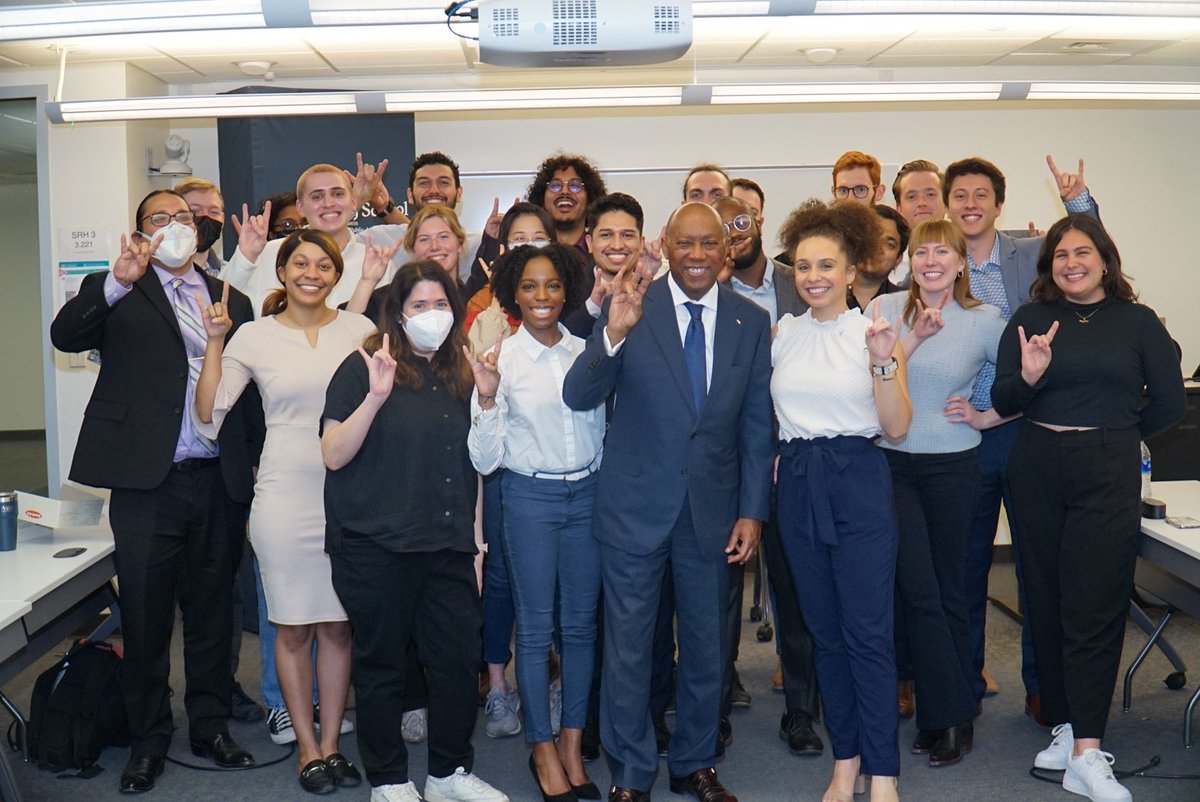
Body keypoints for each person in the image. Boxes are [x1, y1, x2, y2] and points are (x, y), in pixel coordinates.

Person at [563, 202, 773, 802]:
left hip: (713, 513)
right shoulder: (632, 304)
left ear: (725, 251)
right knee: (628, 649)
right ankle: (630, 775)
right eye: (687, 244)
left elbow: (758, 425)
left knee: (708, 647)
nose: (699, 255)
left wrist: (752, 510)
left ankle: (695, 764)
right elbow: (580, 392)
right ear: (667, 244)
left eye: (711, 244)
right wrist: (613, 330)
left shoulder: (749, 321)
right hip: (634, 509)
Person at [50, 189, 258, 793]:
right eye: (160, 218)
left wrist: (251, 464)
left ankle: (210, 726)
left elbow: (248, 394)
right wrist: (115, 282)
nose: (175, 227)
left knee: (214, 612)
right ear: (141, 231)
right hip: (147, 482)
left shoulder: (231, 298)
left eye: (184, 218)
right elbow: (66, 335)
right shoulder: (121, 288)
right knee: (143, 616)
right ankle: (149, 738)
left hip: (217, 479)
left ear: (200, 230)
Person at [993, 215, 1185, 802]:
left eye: (1082, 252)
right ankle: (1067, 725)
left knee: (1095, 604)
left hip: (1106, 465)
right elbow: (1003, 398)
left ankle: (1087, 751)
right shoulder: (1028, 320)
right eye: (1059, 254)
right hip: (1037, 462)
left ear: (1105, 258)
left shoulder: (1138, 322)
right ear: (1049, 264)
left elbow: (1171, 401)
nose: (1070, 262)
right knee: (1046, 600)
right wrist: (1027, 379)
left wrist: (1114, 433)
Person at [194, 230, 386, 793]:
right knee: (294, 626)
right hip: (283, 496)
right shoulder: (251, 336)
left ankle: (331, 744)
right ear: (282, 272)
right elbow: (209, 414)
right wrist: (213, 342)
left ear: (336, 273)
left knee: (338, 626)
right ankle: (305, 746)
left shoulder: (361, 329)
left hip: (350, 494)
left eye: (323, 264)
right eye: (300, 262)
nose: (312, 272)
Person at [321, 261, 508, 802]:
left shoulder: (463, 374)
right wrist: (376, 397)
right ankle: (388, 779)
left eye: (442, 304)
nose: (432, 316)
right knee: (383, 665)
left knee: (453, 663)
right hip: (372, 544)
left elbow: (478, 466)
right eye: (419, 306)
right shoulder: (363, 366)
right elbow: (332, 455)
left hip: (446, 542)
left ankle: (449, 773)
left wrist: (475, 543)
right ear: (397, 314)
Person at [944, 154, 1099, 715]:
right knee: (964, 568)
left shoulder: (1029, 251)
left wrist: (1076, 201)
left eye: (981, 194)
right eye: (959, 194)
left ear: (998, 205)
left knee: (1036, 565)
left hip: (1023, 428)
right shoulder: (935, 259)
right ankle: (962, 686)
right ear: (947, 204)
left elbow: (1092, 250)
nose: (969, 204)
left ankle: (1042, 687)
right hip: (961, 430)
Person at [771, 200, 910, 802]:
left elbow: (898, 425)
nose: (814, 277)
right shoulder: (782, 334)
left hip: (857, 479)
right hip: (798, 481)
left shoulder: (875, 332)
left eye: (827, 264)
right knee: (824, 634)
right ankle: (845, 760)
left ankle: (884, 772)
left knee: (868, 636)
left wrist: (883, 364)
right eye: (803, 266)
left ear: (852, 269)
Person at [867, 219, 1007, 768]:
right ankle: (948, 712)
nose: (930, 260)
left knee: (948, 589)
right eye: (921, 251)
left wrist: (988, 415)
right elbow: (870, 374)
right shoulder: (886, 310)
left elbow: (1030, 376)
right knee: (916, 591)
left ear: (959, 261)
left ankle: (949, 711)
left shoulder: (984, 320)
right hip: (890, 465)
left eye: (941, 252)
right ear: (909, 258)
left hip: (953, 466)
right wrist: (915, 335)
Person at [467, 243, 603, 802]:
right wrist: (486, 396)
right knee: (536, 625)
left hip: (590, 497)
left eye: (551, 285)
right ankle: (541, 749)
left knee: (581, 628)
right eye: (529, 287)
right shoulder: (503, 357)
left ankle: (572, 745)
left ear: (567, 288)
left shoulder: (588, 352)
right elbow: (484, 460)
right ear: (512, 295)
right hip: (528, 499)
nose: (542, 296)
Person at [713, 195, 823, 758]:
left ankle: (801, 711)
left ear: (758, 222)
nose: (732, 234)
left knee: (796, 590)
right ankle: (715, 705)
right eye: (718, 228)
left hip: (790, 459)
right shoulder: (708, 291)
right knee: (720, 595)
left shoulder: (801, 280)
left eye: (739, 221)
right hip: (727, 465)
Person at [222, 161, 393, 316]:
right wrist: (245, 256)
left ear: (354, 201)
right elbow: (218, 305)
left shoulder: (375, 262)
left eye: (338, 194)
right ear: (300, 207)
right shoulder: (268, 254)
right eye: (317, 196)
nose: (328, 203)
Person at [175, 177, 228, 278]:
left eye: (213, 212)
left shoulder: (230, 273)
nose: (205, 217)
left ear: (223, 219)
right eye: (195, 211)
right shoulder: (158, 273)